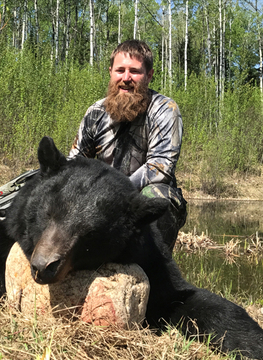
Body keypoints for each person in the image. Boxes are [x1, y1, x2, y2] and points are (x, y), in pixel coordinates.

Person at [69, 39, 186, 250]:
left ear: (149, 76)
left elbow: (160, 167)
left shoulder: (165, 109)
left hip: (139, 200)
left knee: (159, 196)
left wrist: (110, 197)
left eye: (134, 71)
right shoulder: (95, 113)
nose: (126, 78)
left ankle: (153, 268)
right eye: (120, 70)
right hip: (101, 201)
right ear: (110, 72)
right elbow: (75, 163)